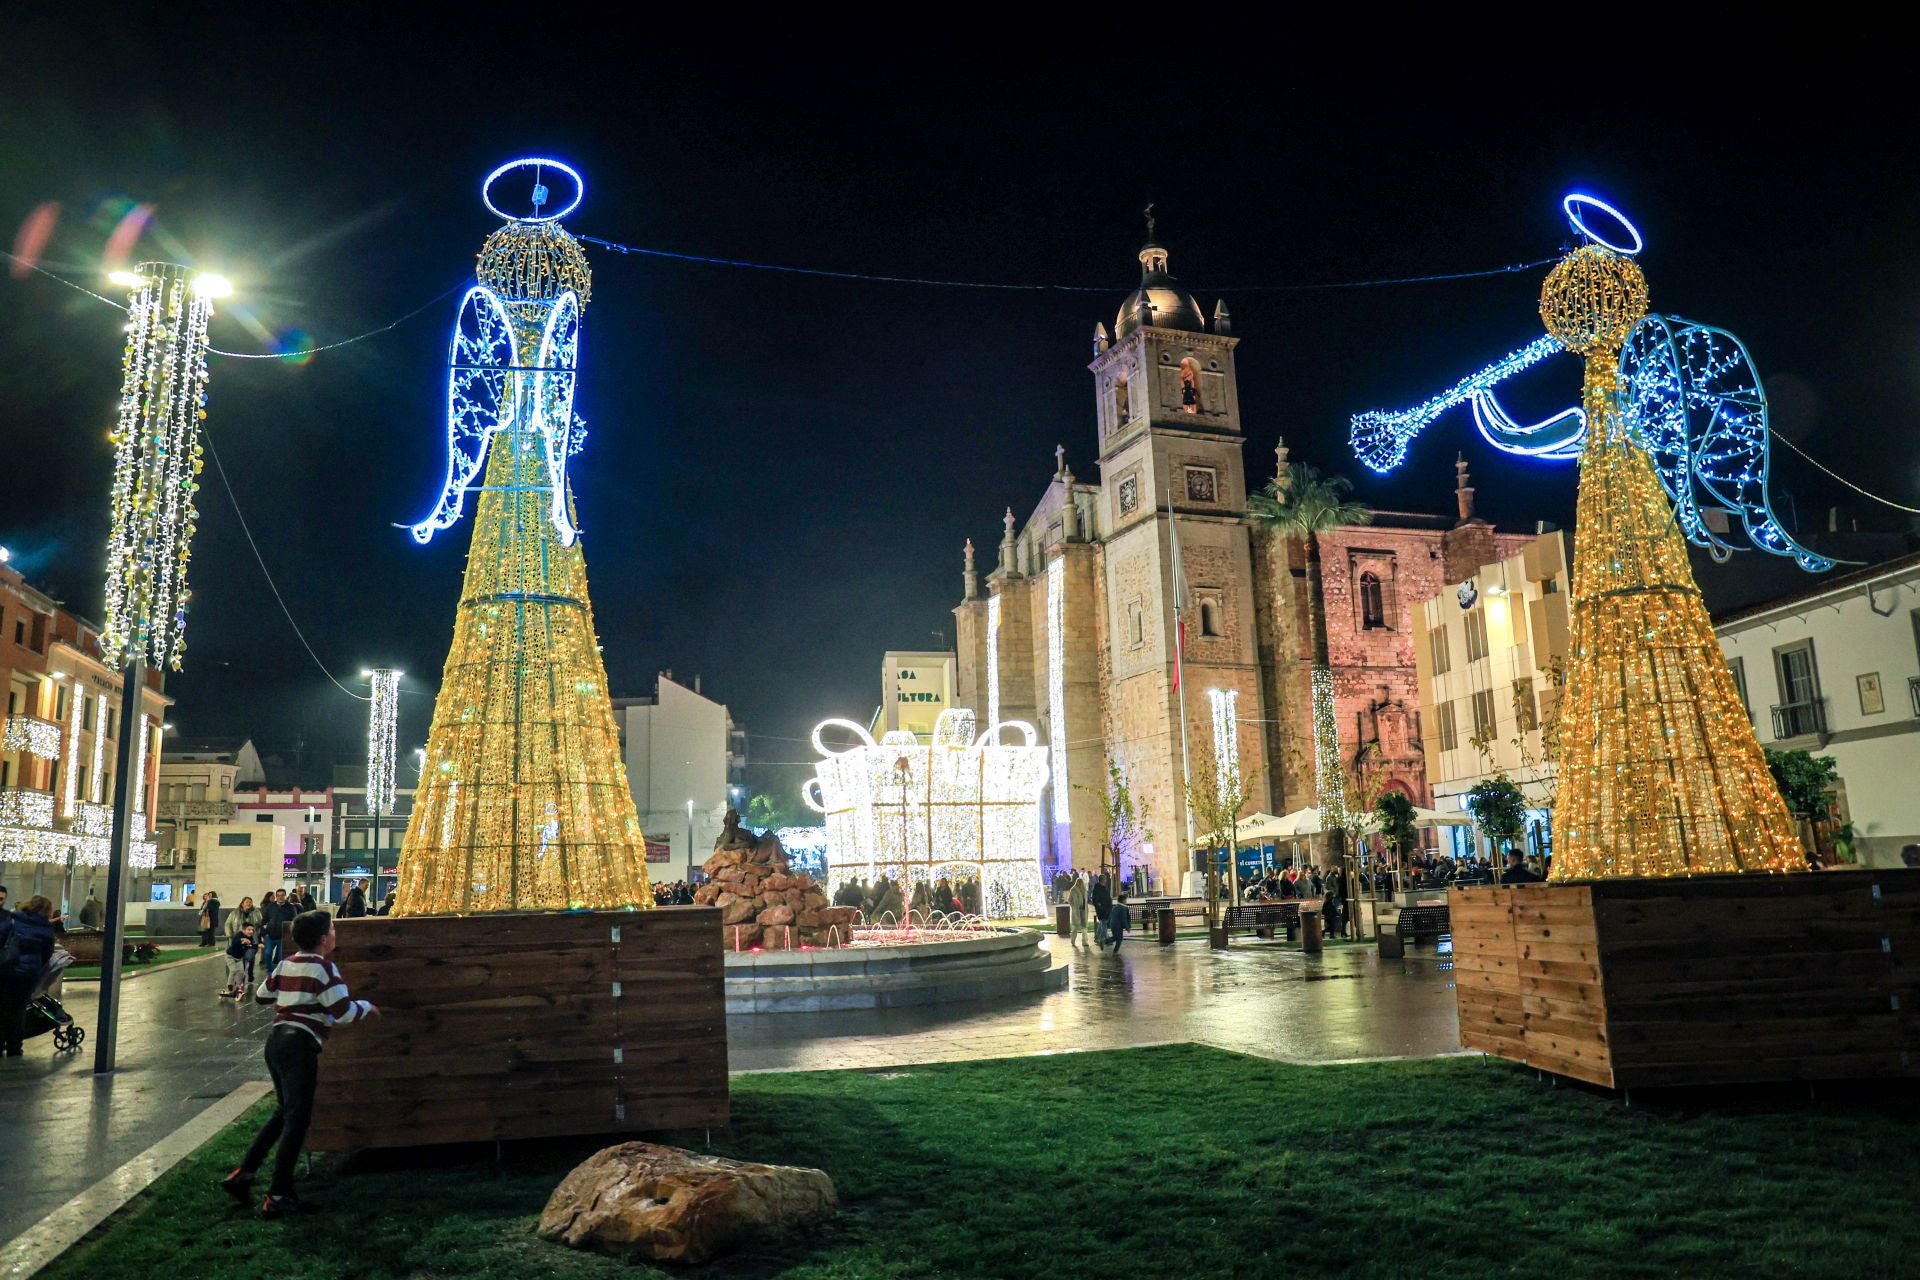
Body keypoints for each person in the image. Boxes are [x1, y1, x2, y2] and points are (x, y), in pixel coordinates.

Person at [223, 909, 378, 1217]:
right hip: (300, 1047)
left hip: (277, 1042)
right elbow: (343, 1011)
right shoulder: (325, 969)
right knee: (297, 1121)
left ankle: (245, 1174)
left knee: (284, 1112)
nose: (335, 934)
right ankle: (279, 1193)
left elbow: (264, 996)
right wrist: (368, 1007)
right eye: (333, 930)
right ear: (324, 939)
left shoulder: (286, 963)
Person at [0, 895, 56, 1056]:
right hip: (27, 974)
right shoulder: (45, 927)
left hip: (5, 969)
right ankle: (14, 1046)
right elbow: (47, 952)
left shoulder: (13, 919)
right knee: (18, 1010)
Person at [221, 923, 256, 999]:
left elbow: (252, 945)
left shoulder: (250, 938)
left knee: (241, 972)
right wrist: (242, 941)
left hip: (239, 958)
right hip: (230, 957)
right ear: (243, 930)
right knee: (233, 970)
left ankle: (238, 988)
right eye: (249, 930)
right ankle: (229, 988)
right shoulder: (238, 935)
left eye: (252, 930)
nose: (251, 932)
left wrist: (254, 945)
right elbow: (235, 942)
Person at [1090, 873, 1112, 947]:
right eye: (1105, 879)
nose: (1106, 881)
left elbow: (1108, 898)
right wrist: (1100, 906)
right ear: (1103, 880)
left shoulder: (1104, 888)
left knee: (1102, 923)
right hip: (1102, 909)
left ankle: (1097, 937)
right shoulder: (1097, 889)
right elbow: (1095, 901)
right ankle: (1107, 939)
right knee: (1104, 924)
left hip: (1106, 908)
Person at [1067, 871, 1088, 940]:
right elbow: (1069, 900)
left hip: (1083, 910)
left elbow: (1086, 900)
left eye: (1081, 882)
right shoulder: (1073, 890)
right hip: (1076, 910)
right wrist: (1074, 906)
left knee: (1084, 926)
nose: (1080, 883)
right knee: (1075, 927)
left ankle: (1085, 941)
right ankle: (1073, 940)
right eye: (1079, 882)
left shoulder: (1084, 890)